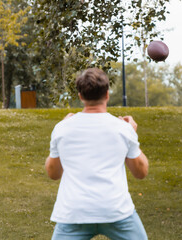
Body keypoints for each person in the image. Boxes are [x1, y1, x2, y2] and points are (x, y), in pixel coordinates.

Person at [45, 68, 149, 240]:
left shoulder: (62, 128)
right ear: (107, 94)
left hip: (74, 212)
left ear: (80, 96)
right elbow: (141, 172)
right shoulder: (123, 129)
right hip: (115, 210)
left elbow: (53, 173)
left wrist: (61, 131)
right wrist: (131, 133)